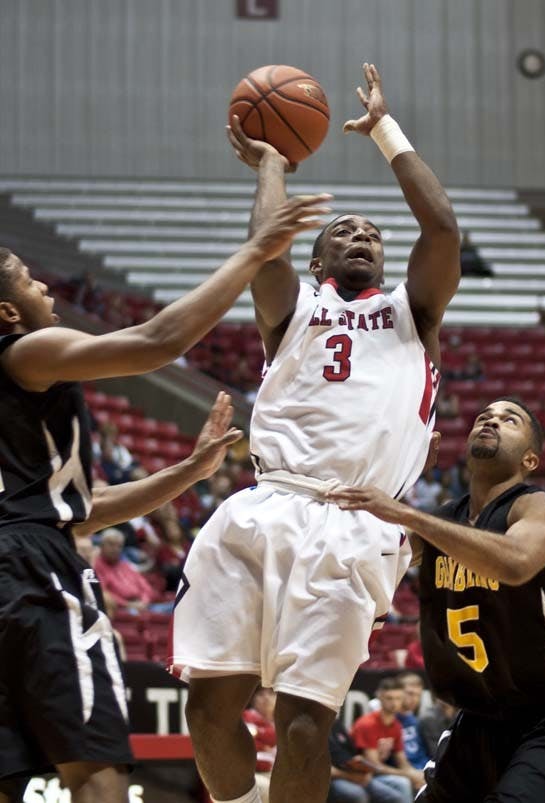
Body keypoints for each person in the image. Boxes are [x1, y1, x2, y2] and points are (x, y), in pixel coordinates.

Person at [173, 61, 460, 803]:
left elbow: (442, 227)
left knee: (304, 721)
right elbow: (262, 249)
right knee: (207, 700)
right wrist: (271, 163)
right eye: (344, 230)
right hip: (263, 502)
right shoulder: (290, 308)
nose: (361, 235)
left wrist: (386, 133)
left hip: (355, 516)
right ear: (316, 256)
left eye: (371, 233)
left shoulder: (412, 314)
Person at [0, 184, 325, 803]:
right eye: (27, 281)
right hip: (34, 572)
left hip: (17, 551)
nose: (44, 288)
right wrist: (257, 252)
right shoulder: (25, 352)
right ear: (7, 313)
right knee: (92, 766)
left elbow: (74, 511)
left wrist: (187, 471)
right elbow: (158, 343)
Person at [329, 397, 545, 802]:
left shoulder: (539, 508)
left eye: (509, 420)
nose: (491, 420)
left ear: (530, 459)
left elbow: (515, 563)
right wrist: (402, 478)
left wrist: (410, 514)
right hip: (478, 718)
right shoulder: (445, 519)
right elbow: (369, 555)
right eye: (484, 417)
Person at [350, 678, 422, 799]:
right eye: (389, 698)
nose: (394, 703)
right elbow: (374, 765)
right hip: (362, 774)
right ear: (380, 697)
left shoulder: (396, 725)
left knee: (422, 781)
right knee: (403, 784)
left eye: (398, 698)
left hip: (380, 773)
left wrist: (416, 774)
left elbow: (402, 761)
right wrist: (406, 775)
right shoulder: (367, 724)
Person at [395, 672, 429, 771]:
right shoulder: (389, 720)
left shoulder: (415, 720)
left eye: (418, 695)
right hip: (403, 771)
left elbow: (423, 753)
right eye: (410, 693)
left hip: (422, 768)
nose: (414, 699)